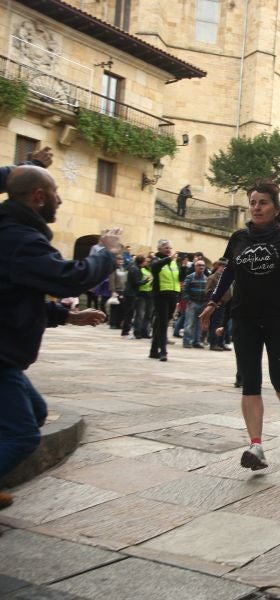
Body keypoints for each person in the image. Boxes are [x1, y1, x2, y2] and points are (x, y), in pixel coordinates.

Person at [0, 165, 116, 508]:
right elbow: (70, 278)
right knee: (22, 436)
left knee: (34, 414)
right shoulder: (19, 239)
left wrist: (67, 315)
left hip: (7, 357)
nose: (60, 199)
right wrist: (105, 251)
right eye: (55, 193)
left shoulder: (14, 233)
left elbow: (17, 299)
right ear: (39, 197)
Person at [201, 181, 280, 470]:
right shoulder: (239, 237)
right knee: (250, 381)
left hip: (279, 318)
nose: (256, 207)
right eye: (252, 202)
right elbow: (228, 274)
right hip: (245, 317)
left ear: (275, 209)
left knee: (279, 378)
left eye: (262, 202)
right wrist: (214, 303)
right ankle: (257, 446)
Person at [149, 240, 181, 361]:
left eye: (170, 248)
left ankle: (153, 350)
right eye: (166, 248)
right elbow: (155, 267)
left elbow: (179, 278)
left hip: (172, 295)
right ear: (160, 248)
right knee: (162, 323)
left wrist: (182, 266)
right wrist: (169, 259)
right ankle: (163, 351)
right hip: (160, 295)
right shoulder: (156, 259)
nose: (169, 250)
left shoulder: (173, 262)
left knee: (161, 322)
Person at [120, 255, 150, 338]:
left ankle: (126, 331)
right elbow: (136, 282)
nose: (146, 263)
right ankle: (125, 332)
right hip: (130, 294)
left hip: (131, 293)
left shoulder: (135, 268)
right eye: (145, 261)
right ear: (141, 262)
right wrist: (146, 281)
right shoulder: (135, 269)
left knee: (130, 313)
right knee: (129, 313)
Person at [181, 259, 207, 349]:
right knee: (189, 324)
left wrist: (205, 302)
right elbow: (184, 290)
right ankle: (187, 341)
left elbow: (206, 292)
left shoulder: (206, 278)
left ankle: (197, 341)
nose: (201, 267)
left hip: (202, 304)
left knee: (199, 324)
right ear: (195, 267)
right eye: (199, 265)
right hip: (192, 303)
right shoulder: (190, 277)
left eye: (203, 266)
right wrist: (188, 301)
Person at [134, 256, 154, 339]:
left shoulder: (151, 271)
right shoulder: (140, 270)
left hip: (150, 294)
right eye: (147, 261)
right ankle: (137, 332)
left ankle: (145, 332)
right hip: (142, 293)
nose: (148, 263)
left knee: (148, 315)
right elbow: (138, 282)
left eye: (149, 262)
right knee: (140, 314)